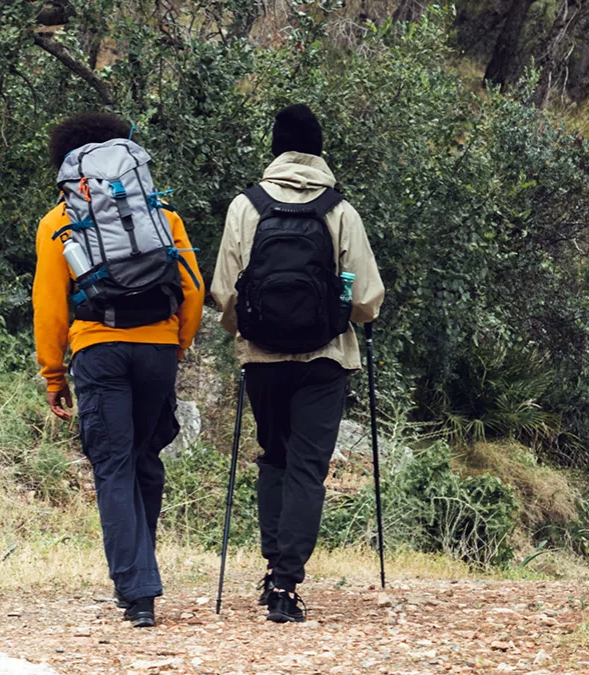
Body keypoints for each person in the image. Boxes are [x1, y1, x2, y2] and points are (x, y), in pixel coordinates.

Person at [211, 104, 385, 623]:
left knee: (274, 457)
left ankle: (271, 570)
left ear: (275, 149)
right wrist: (336, 314)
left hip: (262, 359)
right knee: (308, 470)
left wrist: (247, 332)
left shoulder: (246, 206)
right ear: (320, 150)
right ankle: (287, 584)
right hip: (324, 360)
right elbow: (369, 297)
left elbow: (224, 291)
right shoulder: (339, 212)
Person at [33, 112, 205, 627]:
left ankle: (137, 592)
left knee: (112, 465)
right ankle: (140, 576)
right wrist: (173, 347)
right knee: (145, 458)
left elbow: (49, 305)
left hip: (97, 350)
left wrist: (53, 373)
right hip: (156, 346)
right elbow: (192, 289)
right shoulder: (160, 213)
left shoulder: (59, 220)